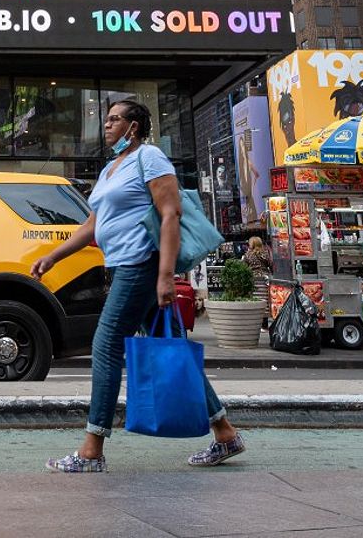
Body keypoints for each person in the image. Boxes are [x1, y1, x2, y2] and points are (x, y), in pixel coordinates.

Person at [31, 100, 244, 472]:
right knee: (170, 346)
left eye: (115, 119)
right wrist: (54, 256)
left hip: (140, 265)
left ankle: (91, 451)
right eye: (107, 119)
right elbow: (92, 226)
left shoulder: (151, 158)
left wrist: (164, 276)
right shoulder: (112, 169)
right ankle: (225, 433)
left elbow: (170, 214)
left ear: (133, 126)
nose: (108, 125)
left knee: (106, 343)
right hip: (124, 266)